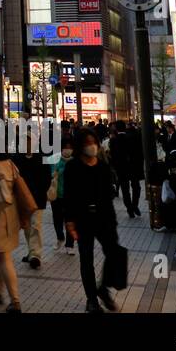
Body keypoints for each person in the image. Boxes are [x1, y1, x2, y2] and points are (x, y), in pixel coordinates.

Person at [63, 129, 124, 313]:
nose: (92, 146)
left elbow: (108, 195)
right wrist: (70, 221)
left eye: (94, 142)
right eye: (88, 142)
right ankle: (92, 300)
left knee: (114, 252)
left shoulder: (103, 166)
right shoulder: (72, 167)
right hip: (83, 218)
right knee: (86, 259)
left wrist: (112, 221)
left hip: (104, 216)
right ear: (80, 146)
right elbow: (69, 195)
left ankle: (103, 288)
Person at [0, 146, 34, 313]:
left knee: (3, 256)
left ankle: (15, 300)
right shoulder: (10, 164)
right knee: (0, 253)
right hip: (11, 214)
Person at [16, 148, 52, 269]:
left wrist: (41, 191)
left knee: (35, 225)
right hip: (23, 198)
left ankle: (35, 255)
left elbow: (47, 178)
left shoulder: (42, 158)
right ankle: (31, 251)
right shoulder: (18, 158)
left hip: (38, 198)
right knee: (27, 227)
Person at [109, 120, 143, 218]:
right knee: (136, 187)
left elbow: (113, 157)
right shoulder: (134, 137)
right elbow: (139, 154)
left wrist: (115, 168)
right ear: (125, 127)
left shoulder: (114, 140)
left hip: (121, 169)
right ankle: (135, 205)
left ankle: (129, 208)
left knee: (125, 189)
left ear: (116, 128)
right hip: (133, 167)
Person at [50, 138, 75, 254]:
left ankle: (69, 245)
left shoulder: (75, 161)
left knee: (70, 219)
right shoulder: (54, 159)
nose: (68, 150)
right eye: (66, 147)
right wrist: (60, 170)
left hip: (70, 196)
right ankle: (60, 237)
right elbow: (50, 173)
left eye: (70, 147)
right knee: (57, 219)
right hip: (56, 194)